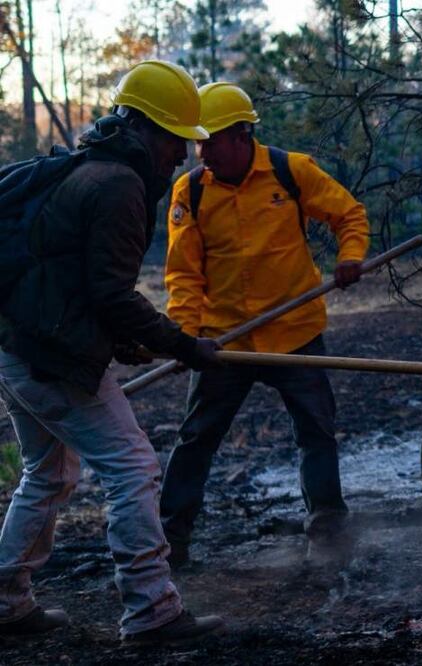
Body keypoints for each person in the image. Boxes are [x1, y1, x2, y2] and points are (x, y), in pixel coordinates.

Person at [0, 60, 224, 643]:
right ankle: (152, 610)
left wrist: (125, 341)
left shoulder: (90, 169)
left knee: (49, 471)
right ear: (146, 129)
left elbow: (74, 283)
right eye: (176, 139)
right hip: (49, 359)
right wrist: (183, 345)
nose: (183, 154)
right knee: (133, 466)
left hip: (20, 348)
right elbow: (112, 294)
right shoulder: (120, 185)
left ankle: (6, 601)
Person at [160, 82, 369, 569]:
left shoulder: (290, 171)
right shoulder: (190, 191)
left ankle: (328, 535)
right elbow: (183, 274)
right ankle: (167, 543)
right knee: (196, 439)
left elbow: (349, 215)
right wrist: (185, 337)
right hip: (223, 343)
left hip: (294, 333)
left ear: (241, 135)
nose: (202, 153)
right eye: (197, 143)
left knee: (316, 432)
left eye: (211, 142)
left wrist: (350, 257)